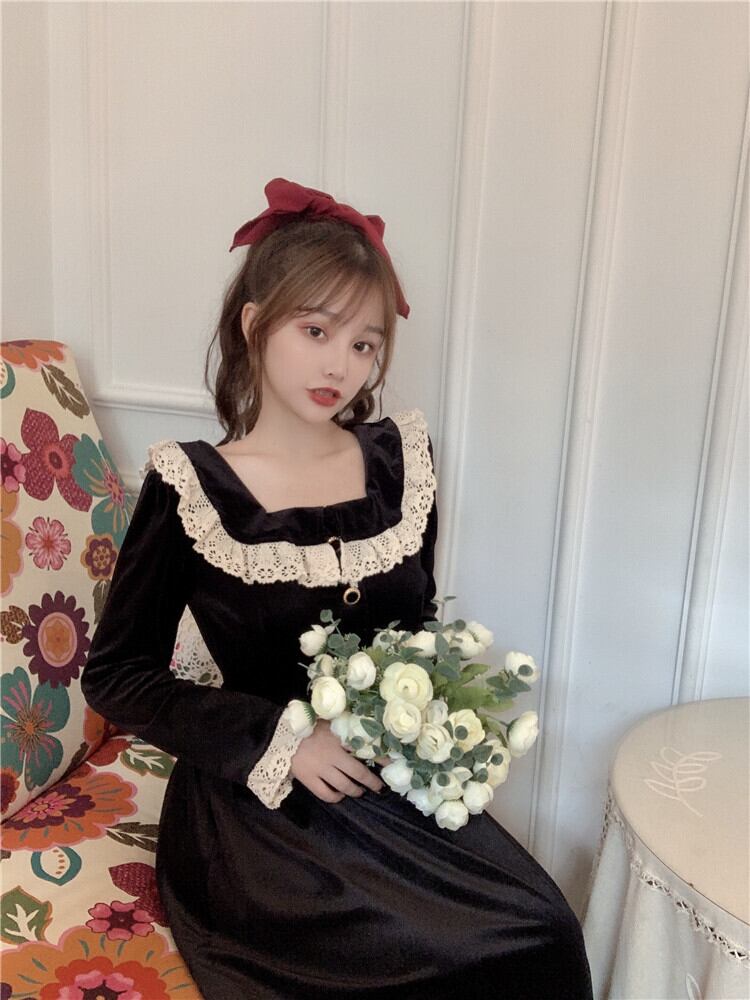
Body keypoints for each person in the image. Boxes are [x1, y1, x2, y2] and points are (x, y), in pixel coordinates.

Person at [81, 177, 593, 999]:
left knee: (541, 927)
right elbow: (117, 676)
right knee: (436, 951)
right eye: (315, 329)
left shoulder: (400, 466)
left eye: (363, 343)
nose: (339, 365)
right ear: (254, 324)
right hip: (260, 803)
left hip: (385, 774)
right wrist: (283, 740)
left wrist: (427, 721)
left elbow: (414, 622)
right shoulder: (192, 489)